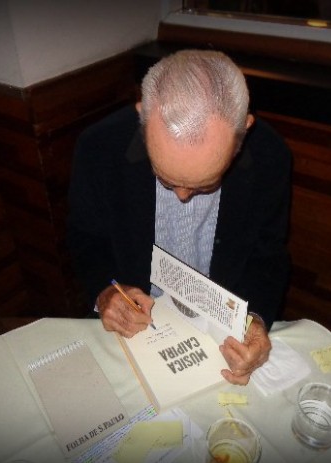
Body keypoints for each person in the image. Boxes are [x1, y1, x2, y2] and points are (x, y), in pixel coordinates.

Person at [66, 49, 292, 385]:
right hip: (136, 326)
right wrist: (107, 292)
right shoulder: (99, 148)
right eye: (166, 179)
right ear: (143, 117)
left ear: (243, 132)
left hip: (217, 332)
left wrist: (254, 318)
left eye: (205, 184)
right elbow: (86, 240)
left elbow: (267, 256)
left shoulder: (270, 157)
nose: (183, 197)